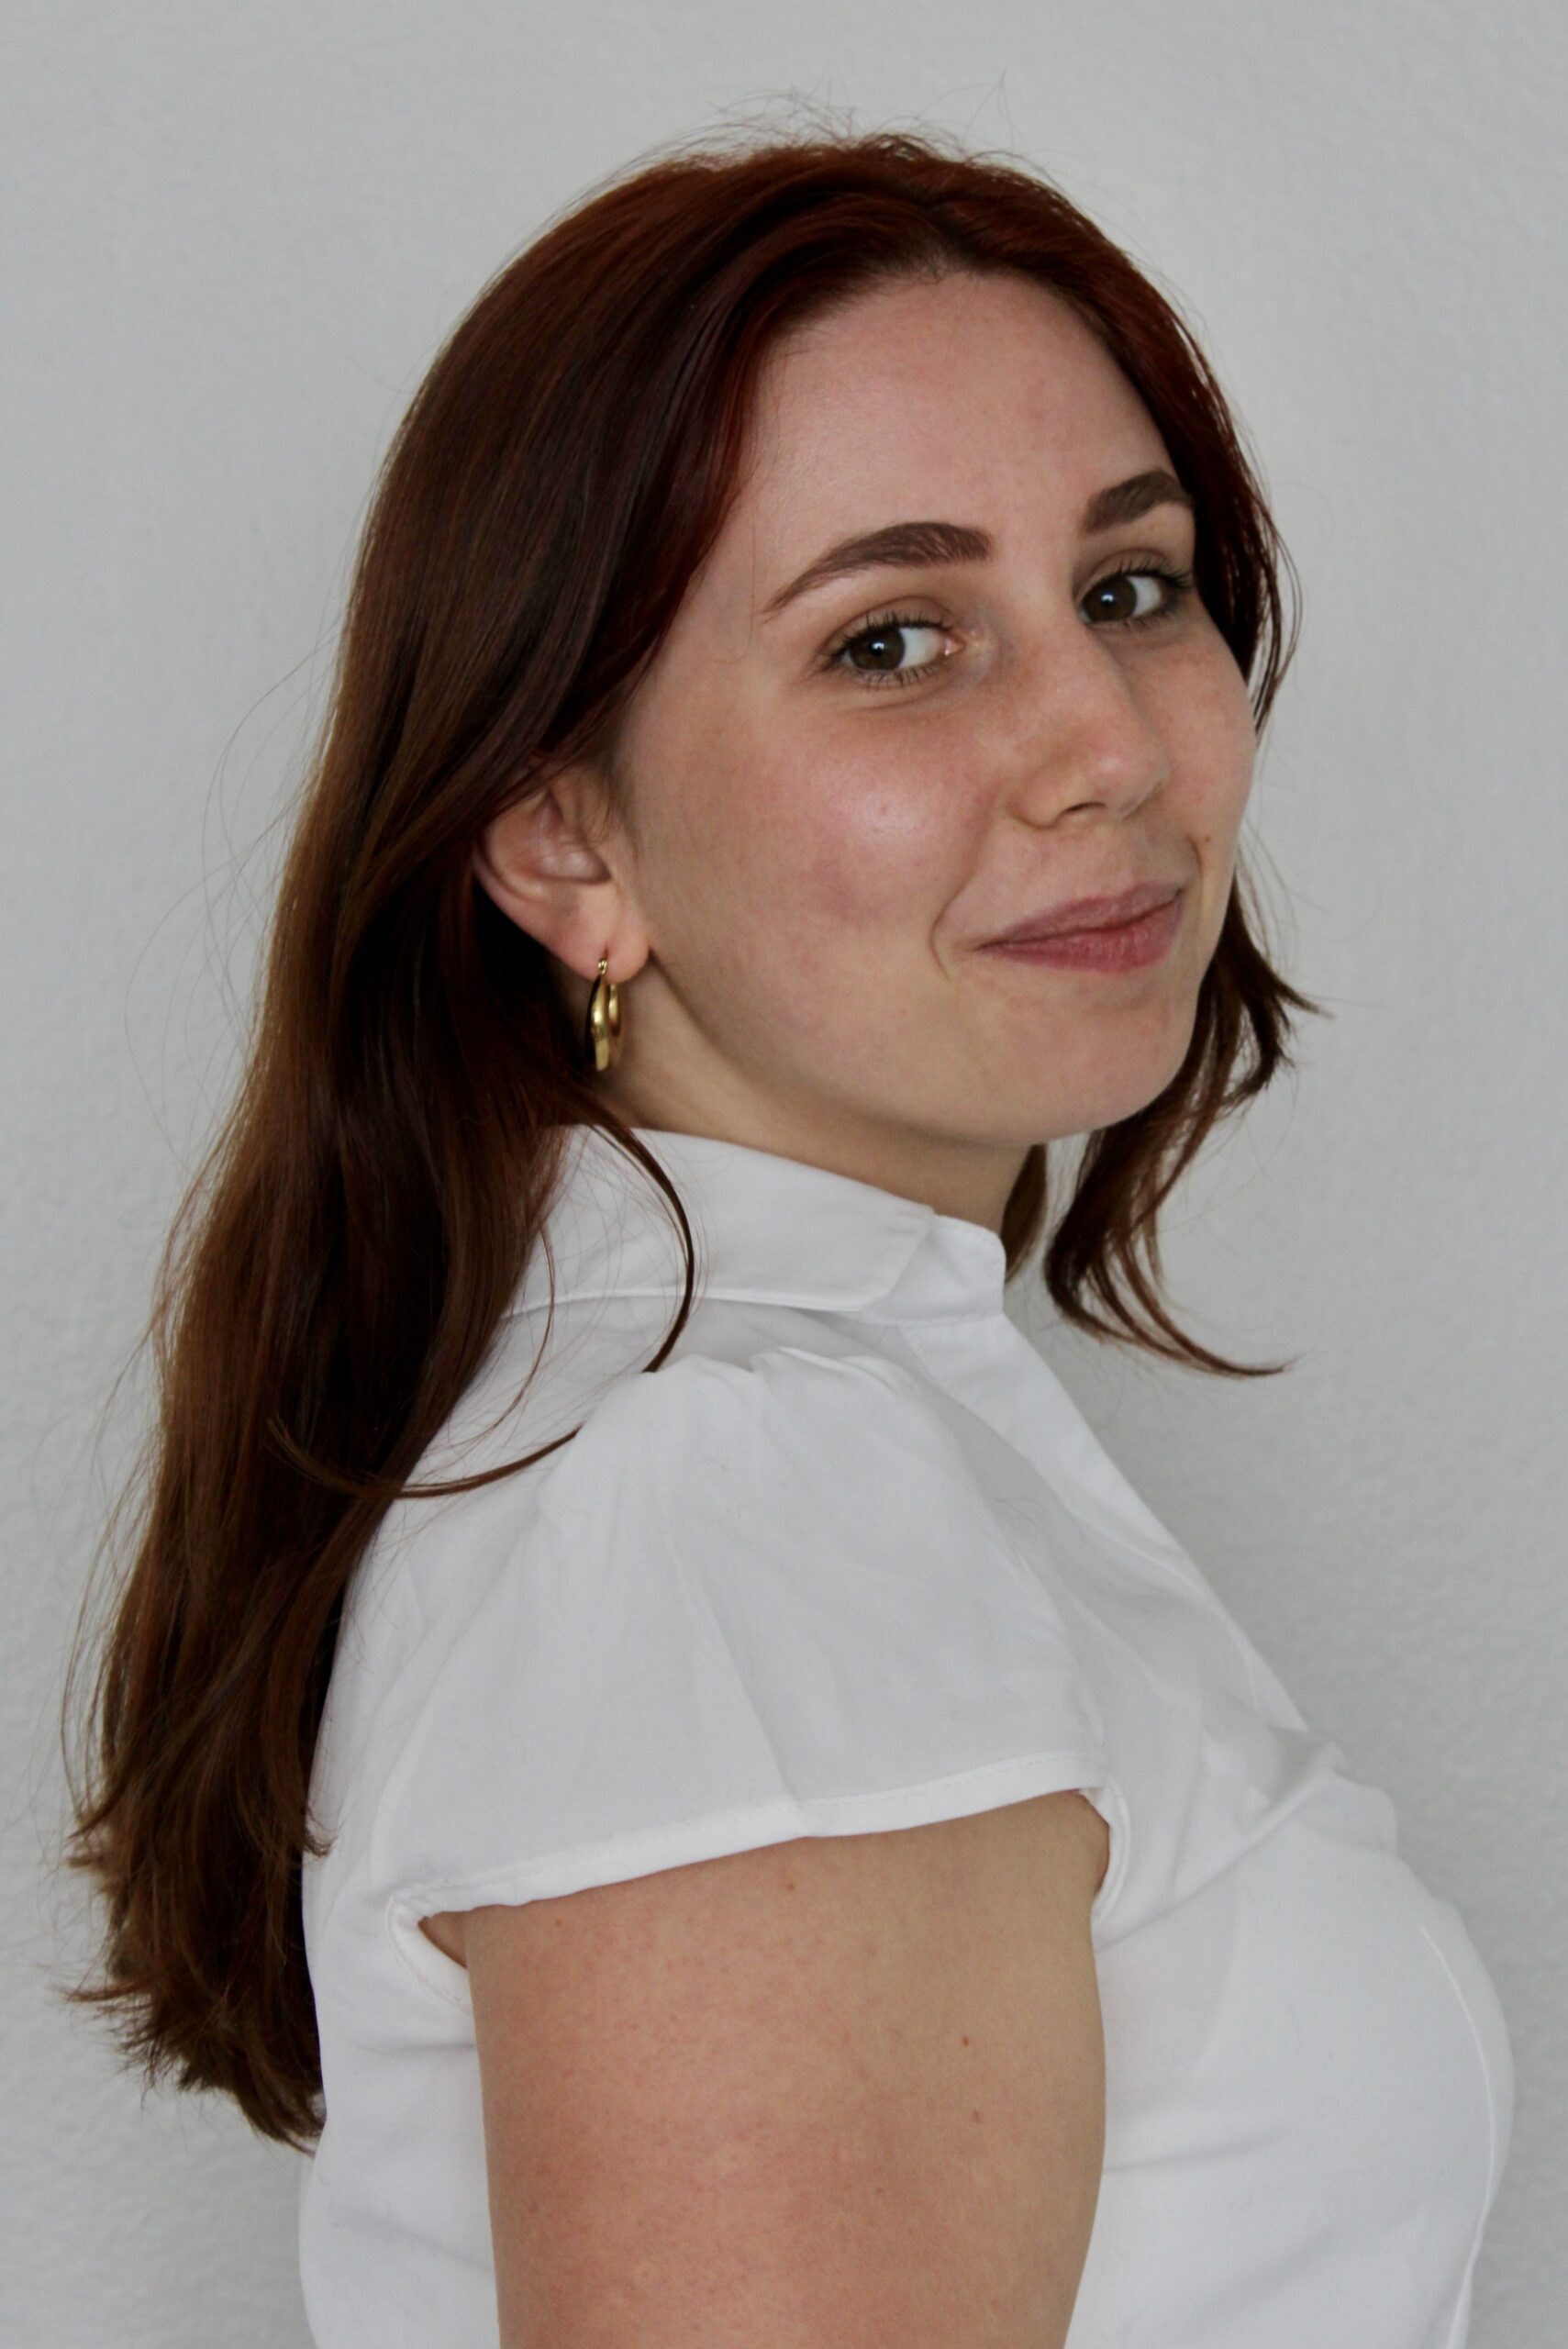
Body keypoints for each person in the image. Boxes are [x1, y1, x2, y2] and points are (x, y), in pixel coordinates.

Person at [60, 121, 1514, 2348]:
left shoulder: (757, 1435)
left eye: (1133, 588)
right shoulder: (741, 1492)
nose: (1106, 744)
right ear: (565, 837)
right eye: (895, 639)